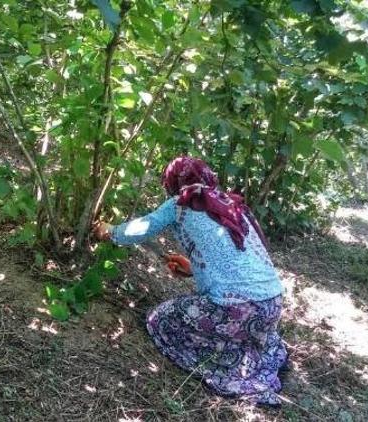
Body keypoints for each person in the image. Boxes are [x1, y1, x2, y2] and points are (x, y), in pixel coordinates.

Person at [93, 156, 287, 406]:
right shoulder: (230, 205)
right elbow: (236, 261)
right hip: (272, 306)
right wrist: (193, 268)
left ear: (173, 182)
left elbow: (142, 228)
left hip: (239, 310)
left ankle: (237, 369)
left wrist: (110, 232)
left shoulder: (180, 204)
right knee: (235, 322)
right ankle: (253, 352)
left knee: (159, 320)